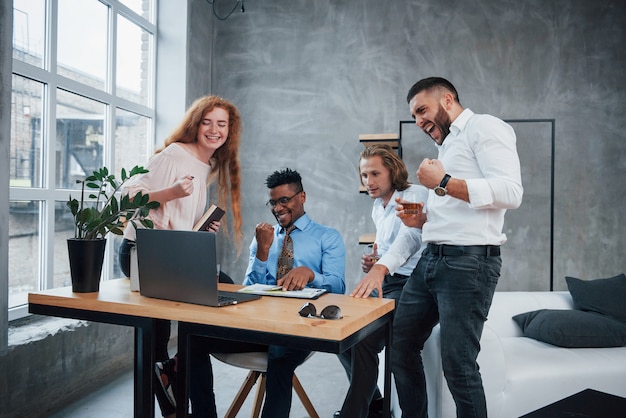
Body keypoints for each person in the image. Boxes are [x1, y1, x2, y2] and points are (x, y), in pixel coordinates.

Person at [357, 77, 523, 418]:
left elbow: (510, 192)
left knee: (458, 366)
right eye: (415, 115)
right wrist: (423, 220)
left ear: (447, 100)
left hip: (468, 266)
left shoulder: (484, 127)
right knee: (400, 346)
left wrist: (443, 182)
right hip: (432, 262)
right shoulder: (446, 145)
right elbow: (459, 211)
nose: (418, 121)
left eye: (422, 110)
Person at [118, 95, 245, 418]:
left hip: (171, 255)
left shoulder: (205, 164)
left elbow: (178, 220)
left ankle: (177, 375)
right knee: (161, 340)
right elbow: (126, 196)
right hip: (144, 254)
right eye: (208, 122)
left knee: (222, 297)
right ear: (195, 124)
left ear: (230, 131)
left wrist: (201, 229)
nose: (214, 130)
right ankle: (175, 396)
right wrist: (169, 193)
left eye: (222, 124)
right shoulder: (175, 155)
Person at [188, 167, 346, 418]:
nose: (278, 208)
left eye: (284, 200)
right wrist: (262, 253)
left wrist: (311, 274)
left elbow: (339, 287)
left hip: (299, 329)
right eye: (273, 202)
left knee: (280, 354)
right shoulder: (264, 236)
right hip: (261, 325)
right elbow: (248, 289)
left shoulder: (327, 237)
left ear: (302, 197)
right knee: (193, 339)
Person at [335, 145, 428, 418]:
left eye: (375, 173)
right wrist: (374, 261)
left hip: (413, 285)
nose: (368, 181)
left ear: (393, 171)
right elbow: (384, 245)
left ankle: (356, 413)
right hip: (389, 282)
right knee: (344, 333)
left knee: (365, 341)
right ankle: (375, 402)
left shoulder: (414, 195)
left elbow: (410, 237)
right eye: (364, 175)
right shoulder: (378, 206)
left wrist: (381, 268)